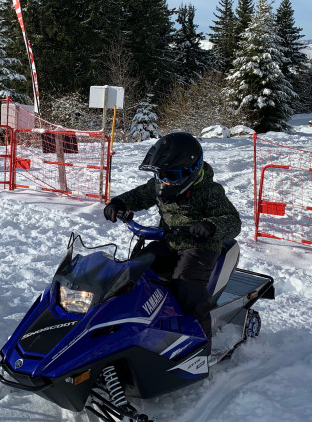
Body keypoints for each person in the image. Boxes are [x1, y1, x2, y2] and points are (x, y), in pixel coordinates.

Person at [102, 132, 241, 349]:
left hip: (200, 245)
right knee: (135, 270)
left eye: (172, 176)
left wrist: (210, 225)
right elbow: (139, 196)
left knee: (186, 283)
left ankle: (200, 344)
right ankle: (131, 323)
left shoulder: (209, 191)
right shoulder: (160, 185)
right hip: (168, 240)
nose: (165, 181)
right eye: (161, 175)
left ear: (191, 172)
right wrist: (119, 203)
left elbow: (232, 221)